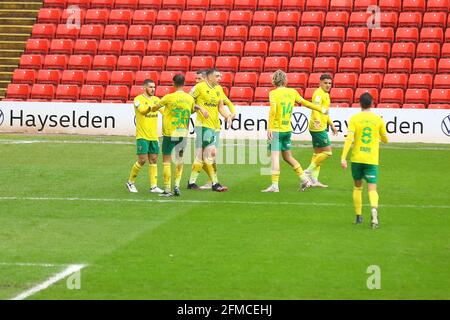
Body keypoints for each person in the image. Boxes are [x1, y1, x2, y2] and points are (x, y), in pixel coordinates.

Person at [262, 70, 329, 193]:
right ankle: (304, 179)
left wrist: (270, 127)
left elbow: (273, 110)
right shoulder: (292, 92)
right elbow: (305, 103)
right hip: (287, 130)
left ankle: (275, 186)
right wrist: (320, 109)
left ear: (274, 81)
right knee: (288, 157)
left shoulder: (273, 93)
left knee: (275, 158)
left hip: (276, 130)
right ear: (285, 80)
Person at [151, 74, 209, 197]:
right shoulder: (189, 99)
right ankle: (177, 186)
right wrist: (201, 109)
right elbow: (192, 110)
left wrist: (151, 107)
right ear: (184, 84)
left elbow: (155, 107)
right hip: (182, 133)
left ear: (173, 83)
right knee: (179, 160)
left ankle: (167, 189)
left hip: (169, 133)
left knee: (166, 161)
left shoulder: (168, 97)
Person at [341, 93, 388, 228]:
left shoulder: (354, 118)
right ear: (372, 103)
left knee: (357, 187)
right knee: (372, 188)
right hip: (371, 159)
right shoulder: (378, 119)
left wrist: (343, 157)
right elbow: (385, 139)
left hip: (357, 158)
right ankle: (374, 212)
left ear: (359, 103)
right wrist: (379, 134)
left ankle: (358, 216)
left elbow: (349, 139)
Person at [187, 68, 231, 192]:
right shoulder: (199, 87)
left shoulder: (219, 89)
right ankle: (215, 183)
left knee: (202, 154)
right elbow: (188, 101)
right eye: (217, 76)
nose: (220, 78)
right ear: (210, 77)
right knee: (210, 153)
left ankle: (191, 182)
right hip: (202, 125)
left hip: (215, 126)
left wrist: (227, 116)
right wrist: (200, 108)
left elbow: (220, 107)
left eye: (220, 76)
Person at [126, 79, 163, 194]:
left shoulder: (157, 100)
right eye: (150, 87)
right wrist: (151, 108)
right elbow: (142, 111)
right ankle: (130, 182)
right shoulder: (138, 99)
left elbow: (164, 111)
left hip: (154, 136)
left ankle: (154, 186)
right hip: (142, 136)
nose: (153, 89)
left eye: (154, 87)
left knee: (154, 160)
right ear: (145, 87)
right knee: (142, 160)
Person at [303, 74, 338, 188]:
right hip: (317, 128)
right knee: (328, 152)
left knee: (317, 154)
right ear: (320, 83)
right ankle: (307, 172)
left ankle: (314, 180)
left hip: (321, 127)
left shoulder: (326, 94)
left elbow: (325, 112)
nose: (328, 85)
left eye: (329, 83)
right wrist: (317, 120)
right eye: (325, 83)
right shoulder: (318, 94)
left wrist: (331, 125)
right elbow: (315, 109)